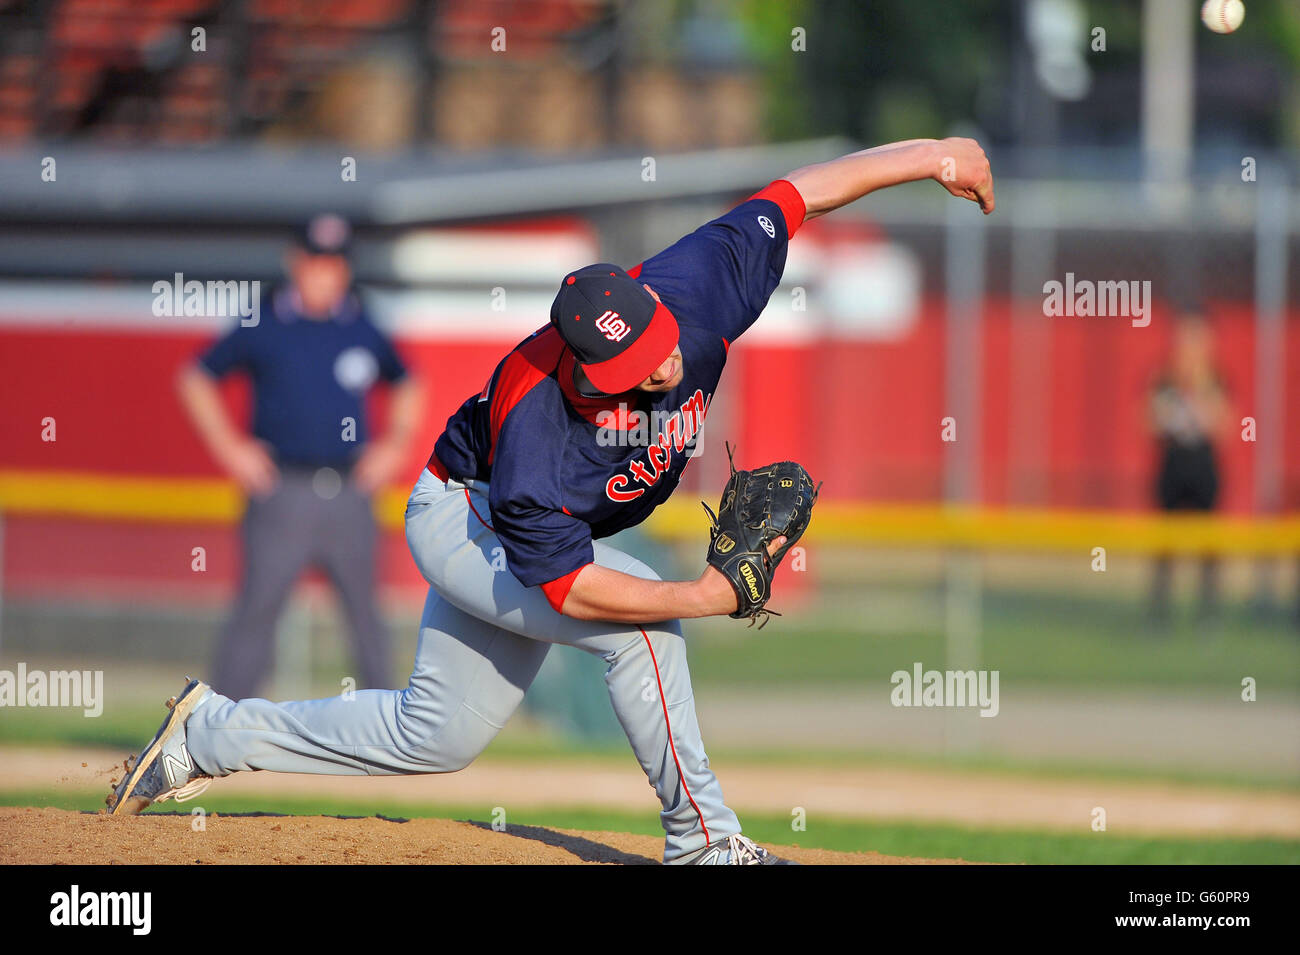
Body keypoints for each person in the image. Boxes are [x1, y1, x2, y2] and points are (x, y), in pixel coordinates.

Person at [113, 138, 994, 864]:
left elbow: (796, 194)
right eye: (623, 372)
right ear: (575, 367)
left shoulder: (698, 284)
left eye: (653, 347)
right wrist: (701, 596)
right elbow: (573, 590)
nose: (656, 370)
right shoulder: (535, 425)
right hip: (468, 517)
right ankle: (704, 845)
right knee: (647, 633)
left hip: (523, 529)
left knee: (437, 737)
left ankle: (210, 735)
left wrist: (935, 154)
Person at [176, 213, 423, 699]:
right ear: (297, 262)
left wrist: (394, 444)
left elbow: (408, 380)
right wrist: (231, 448)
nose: (325, 275)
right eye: (315, 262)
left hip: (349, 490)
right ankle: (220, 726)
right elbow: (197, 376)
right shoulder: (264, 320)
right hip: (282, 489)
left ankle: (391, 731)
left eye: (334, 264)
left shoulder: (360, 323)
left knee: (365, 616)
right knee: (257, 610)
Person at [1148, 313, 1229, 623]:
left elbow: (1224, 426)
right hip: (1173, 464)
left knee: (1208, 548)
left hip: (1203, 467)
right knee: (1164, 547)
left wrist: (1199, 389)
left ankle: (1207, 615)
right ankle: (1160, 614)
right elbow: (1147, 420)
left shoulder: (1217, 380)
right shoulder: (1163, 380)